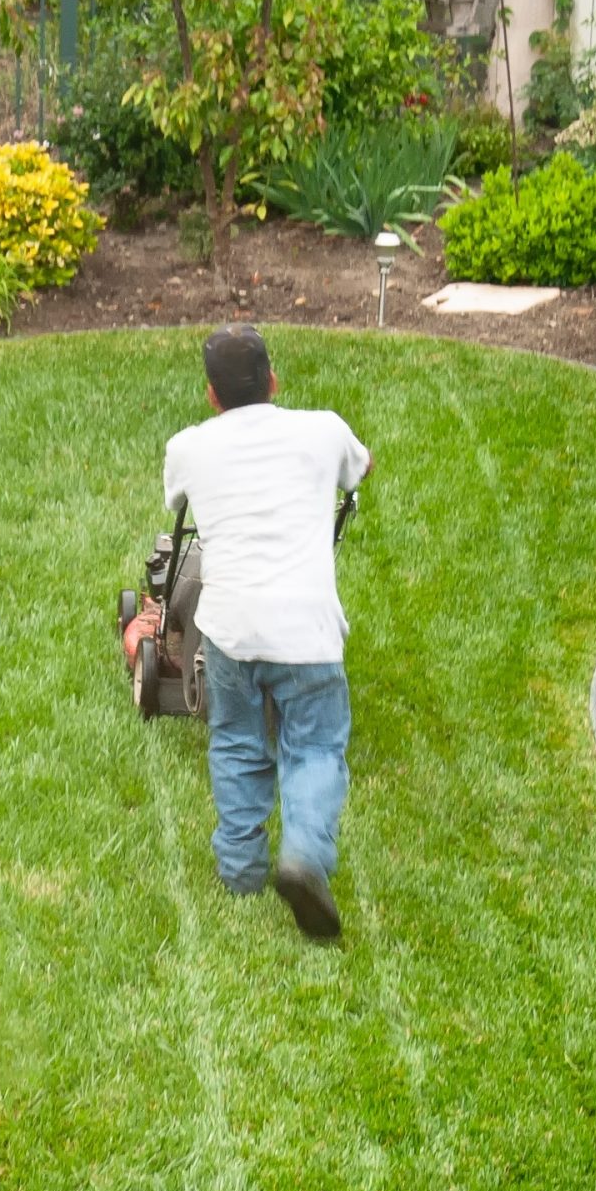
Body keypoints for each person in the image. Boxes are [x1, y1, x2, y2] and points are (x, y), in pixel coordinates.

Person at [161, 325, 371, 941]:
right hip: (306, 631)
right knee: (314, 747)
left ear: (211, 395)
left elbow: (176, 498)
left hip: (228, 627)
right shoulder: (324, 429)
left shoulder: (190, 446)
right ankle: (303, 855)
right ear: (273, 381)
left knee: (236, 743)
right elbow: (360, 470)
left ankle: (240, 868)